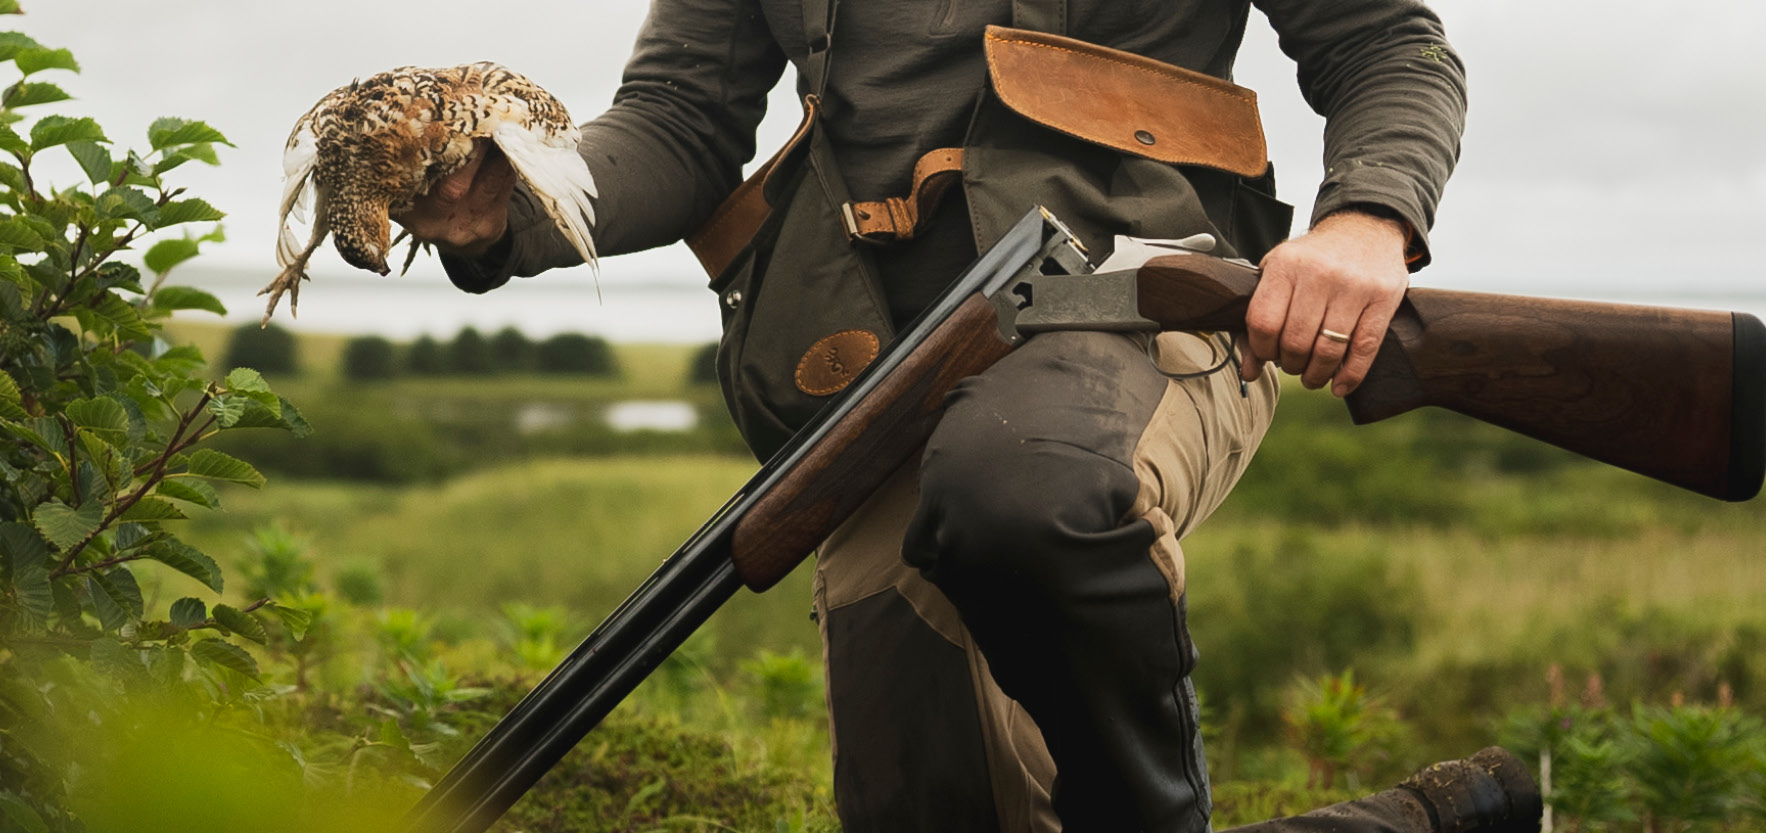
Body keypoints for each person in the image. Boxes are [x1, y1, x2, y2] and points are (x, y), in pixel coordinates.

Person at [384, 1, 1535, 830]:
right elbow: (681, 123)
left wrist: (1366, 220)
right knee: (930, 805)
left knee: (1025, 488)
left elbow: (1388, 44)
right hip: (882, 371)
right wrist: (516, 196)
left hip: (1141, 301)